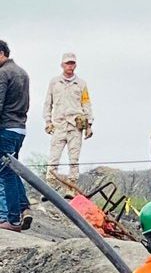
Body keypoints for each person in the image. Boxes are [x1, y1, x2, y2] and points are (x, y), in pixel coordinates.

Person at [43, 52, 93, 196]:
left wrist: (89, 124)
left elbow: (86, 103)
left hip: (75, 126)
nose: (70, 66)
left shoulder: (81, 84)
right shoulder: (54, 82)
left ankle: (71, 187)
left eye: (72, 63)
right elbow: (48, 103)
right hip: (58, 125)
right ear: (62, 65)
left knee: (74, 158)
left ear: (75, 65)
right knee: (53, 157)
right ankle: (50, 187)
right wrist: (47, 121)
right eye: (67, 63)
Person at [0, 40, 31, 232]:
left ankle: (11, 219)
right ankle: (24, 207)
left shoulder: (3, 73)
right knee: (14, 169)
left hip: (5, 129)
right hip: (20, 128)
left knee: (5, 173)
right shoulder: (22, 72)